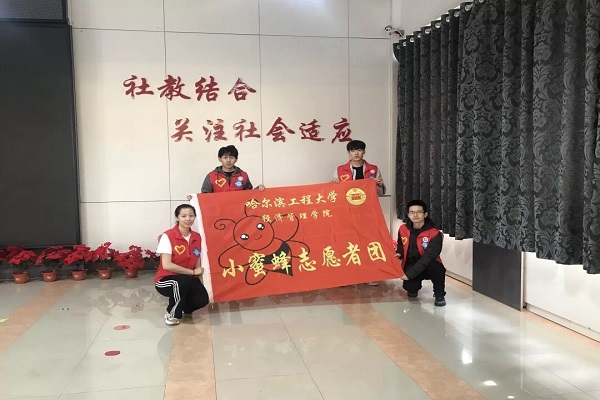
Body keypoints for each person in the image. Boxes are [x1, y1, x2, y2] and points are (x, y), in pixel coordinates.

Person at [333, 139, 385, 286]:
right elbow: (335, 194)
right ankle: (348, 276)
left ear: (364, 151)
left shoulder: (373, 169)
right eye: (353, 150)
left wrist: (379, 185)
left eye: (359, 150)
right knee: (348, 244)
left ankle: (370, 275)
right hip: (347, 213)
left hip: (368, 213)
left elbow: (379, 193)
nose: (356, 153)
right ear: (349, 153)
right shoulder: (340, 170)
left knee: (368, 242)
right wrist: (334, 186)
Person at [155, 204, 209, 325]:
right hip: (165, 279)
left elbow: (197, 261)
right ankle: (171, 313)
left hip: (187, 279)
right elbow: (167, 265)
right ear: (177, 217)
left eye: (191, 215)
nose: (188, 219)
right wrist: (192, 272)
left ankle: (184, 306)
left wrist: (200, 281)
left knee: (202, 299)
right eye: (183, 216)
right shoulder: (168, 236)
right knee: (181, 282)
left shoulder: (197, 237)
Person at [394, 199, 446, 307]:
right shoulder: (403, 229)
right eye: (412, 212)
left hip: (429, 265)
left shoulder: (435, 233)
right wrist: (399, 253)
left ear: (425, 214)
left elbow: (429, 257)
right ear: (408, 214)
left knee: (437, 269)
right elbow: (401, 245)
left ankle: (439, 294)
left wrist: (409, 274)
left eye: (419, 212)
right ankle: (414, 288)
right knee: (410, 287)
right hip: (411, 264)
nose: (415, 215)